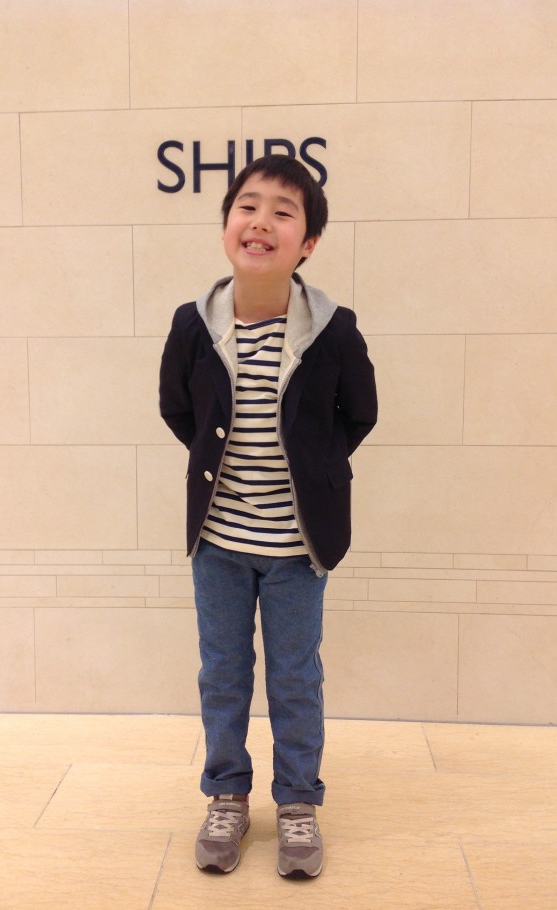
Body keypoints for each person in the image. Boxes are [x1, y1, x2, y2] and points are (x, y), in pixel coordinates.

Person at [159, 154, 378, 879]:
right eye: (247, 206)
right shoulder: (194, 324)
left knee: (294, 678)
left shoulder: (333, 329)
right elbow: (177, 409)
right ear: (226, 224)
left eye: (284, 212)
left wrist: (314, 471)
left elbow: (361, 413)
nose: (261, 222)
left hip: (296, 547)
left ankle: (298, 803)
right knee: (222, 674)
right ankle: (226, 794)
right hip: (217, 543)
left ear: (307, 243)